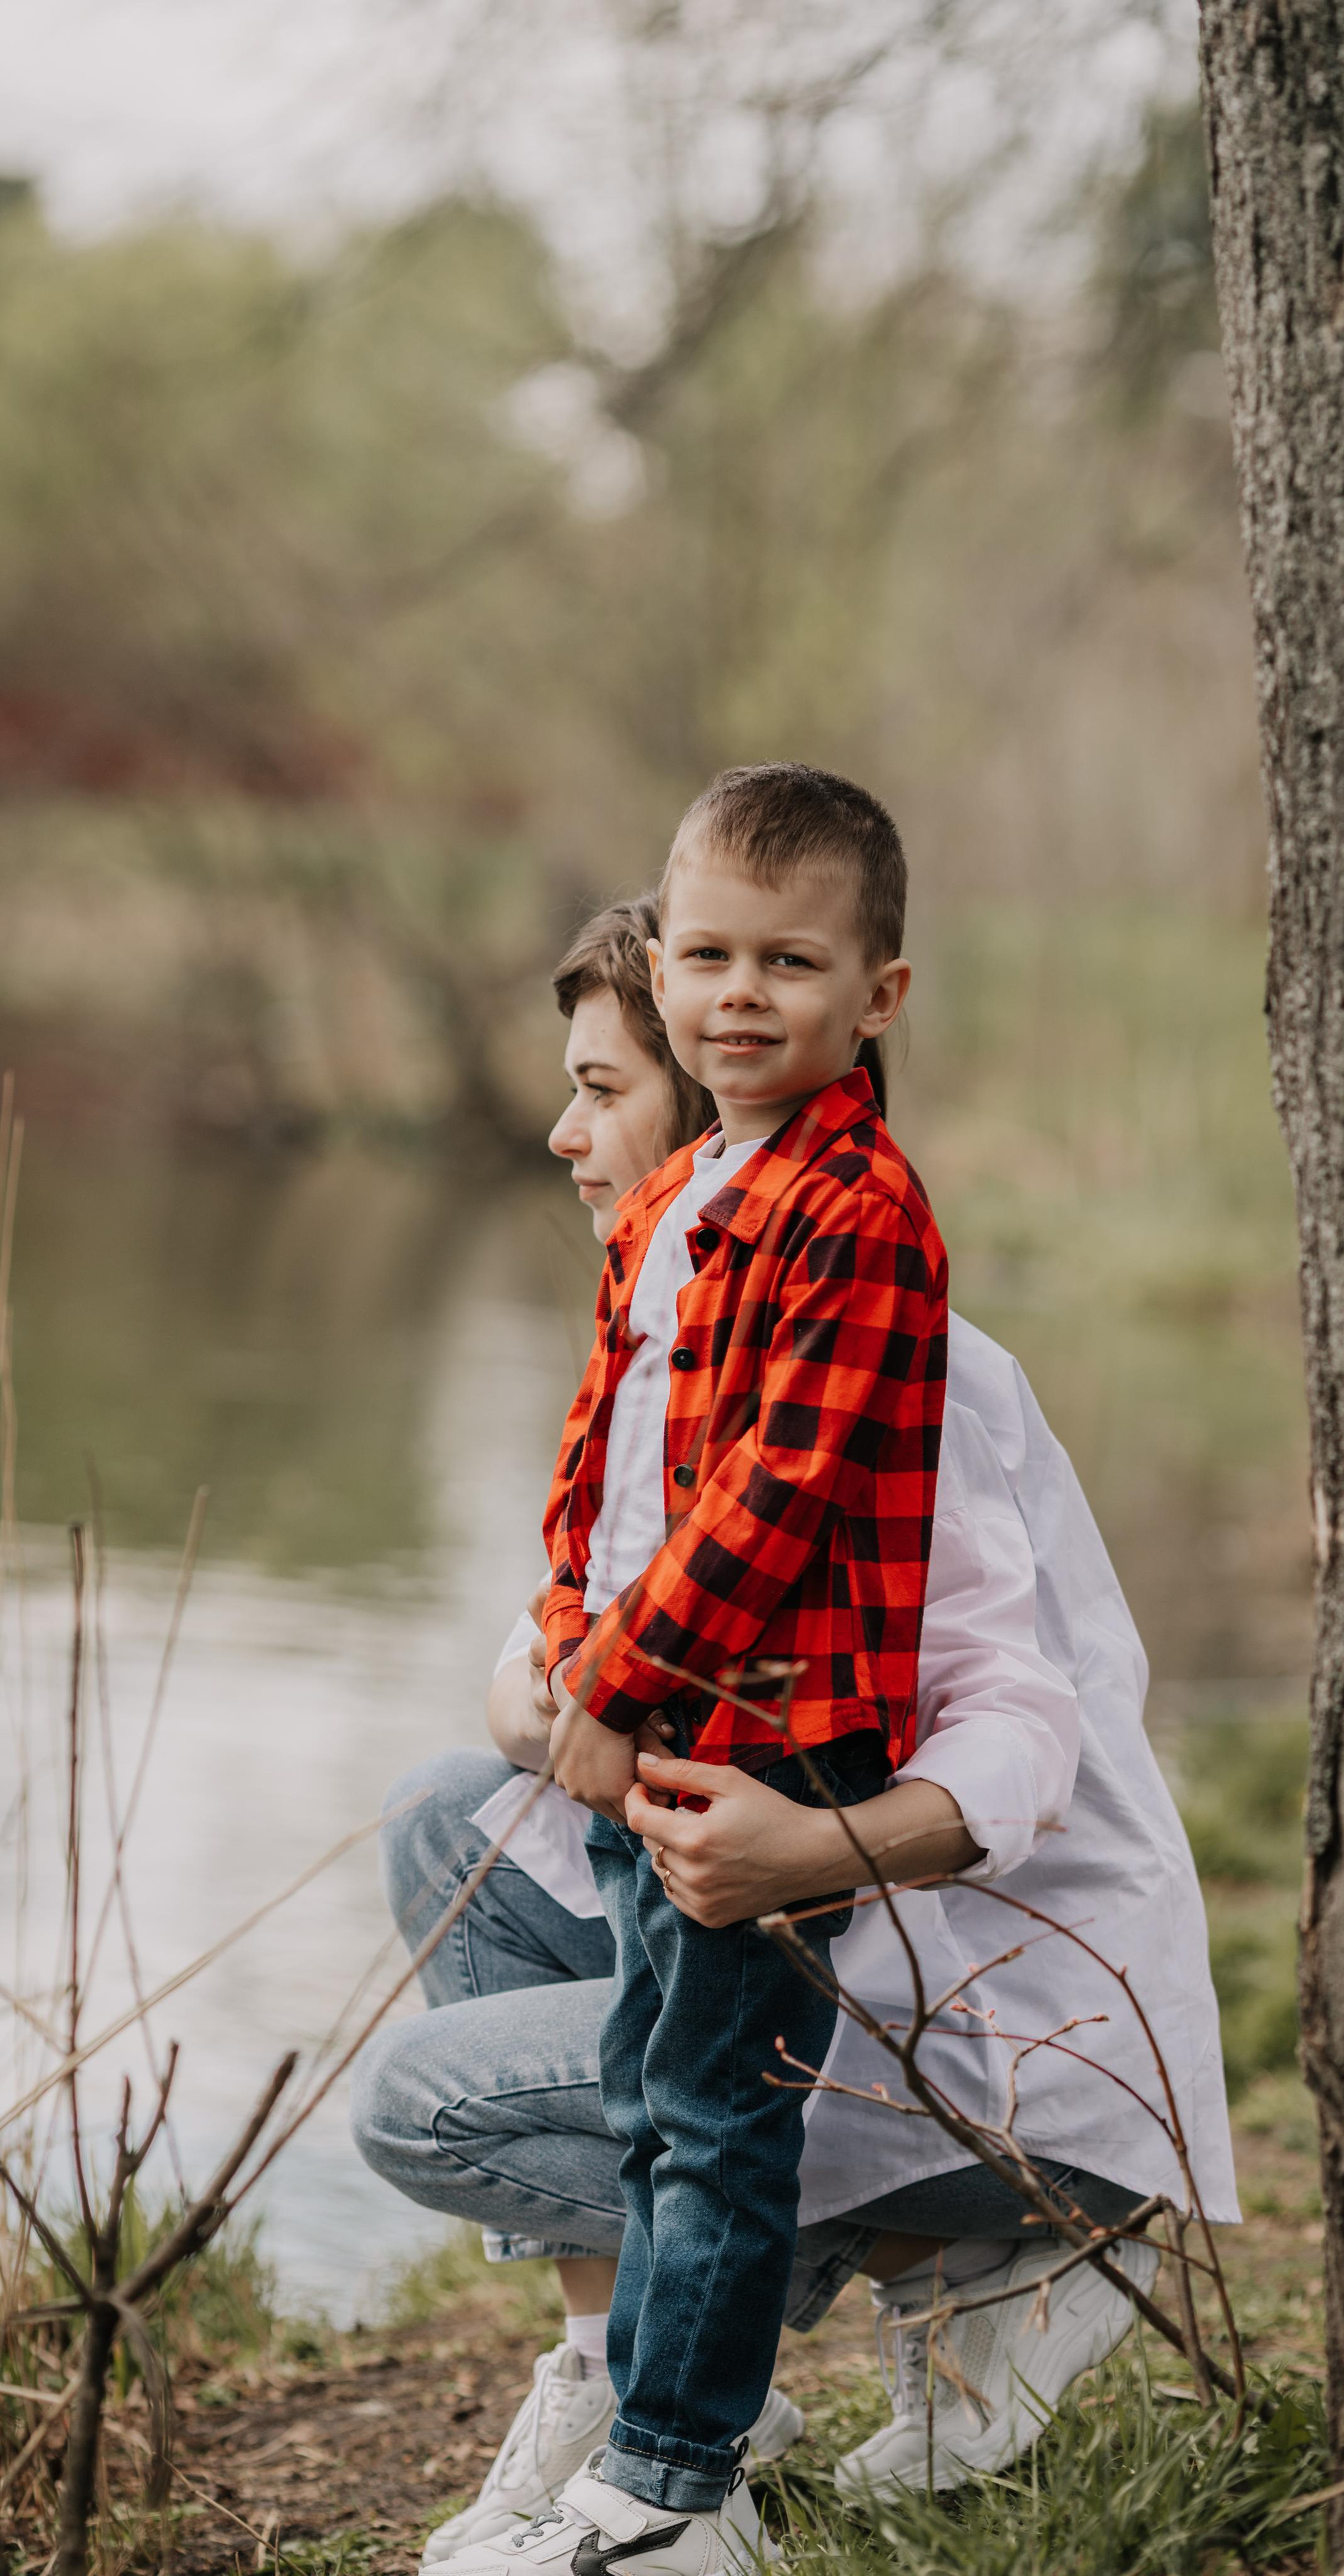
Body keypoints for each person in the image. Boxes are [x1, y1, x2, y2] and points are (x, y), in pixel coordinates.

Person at [351, 875, 1239, 2557]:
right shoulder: (679, 1334)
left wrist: (807, 1844)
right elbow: (556, 1658)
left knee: (427, 2101)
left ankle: (973, 2259)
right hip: (836, 1952)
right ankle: (652, 2367)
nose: (560, 1134)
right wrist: (555, 1707)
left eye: (601, 1089)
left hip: (999, 2025)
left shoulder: (906, 1364)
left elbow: (1018, 1736)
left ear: (712, 1110)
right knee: (439, 1817)